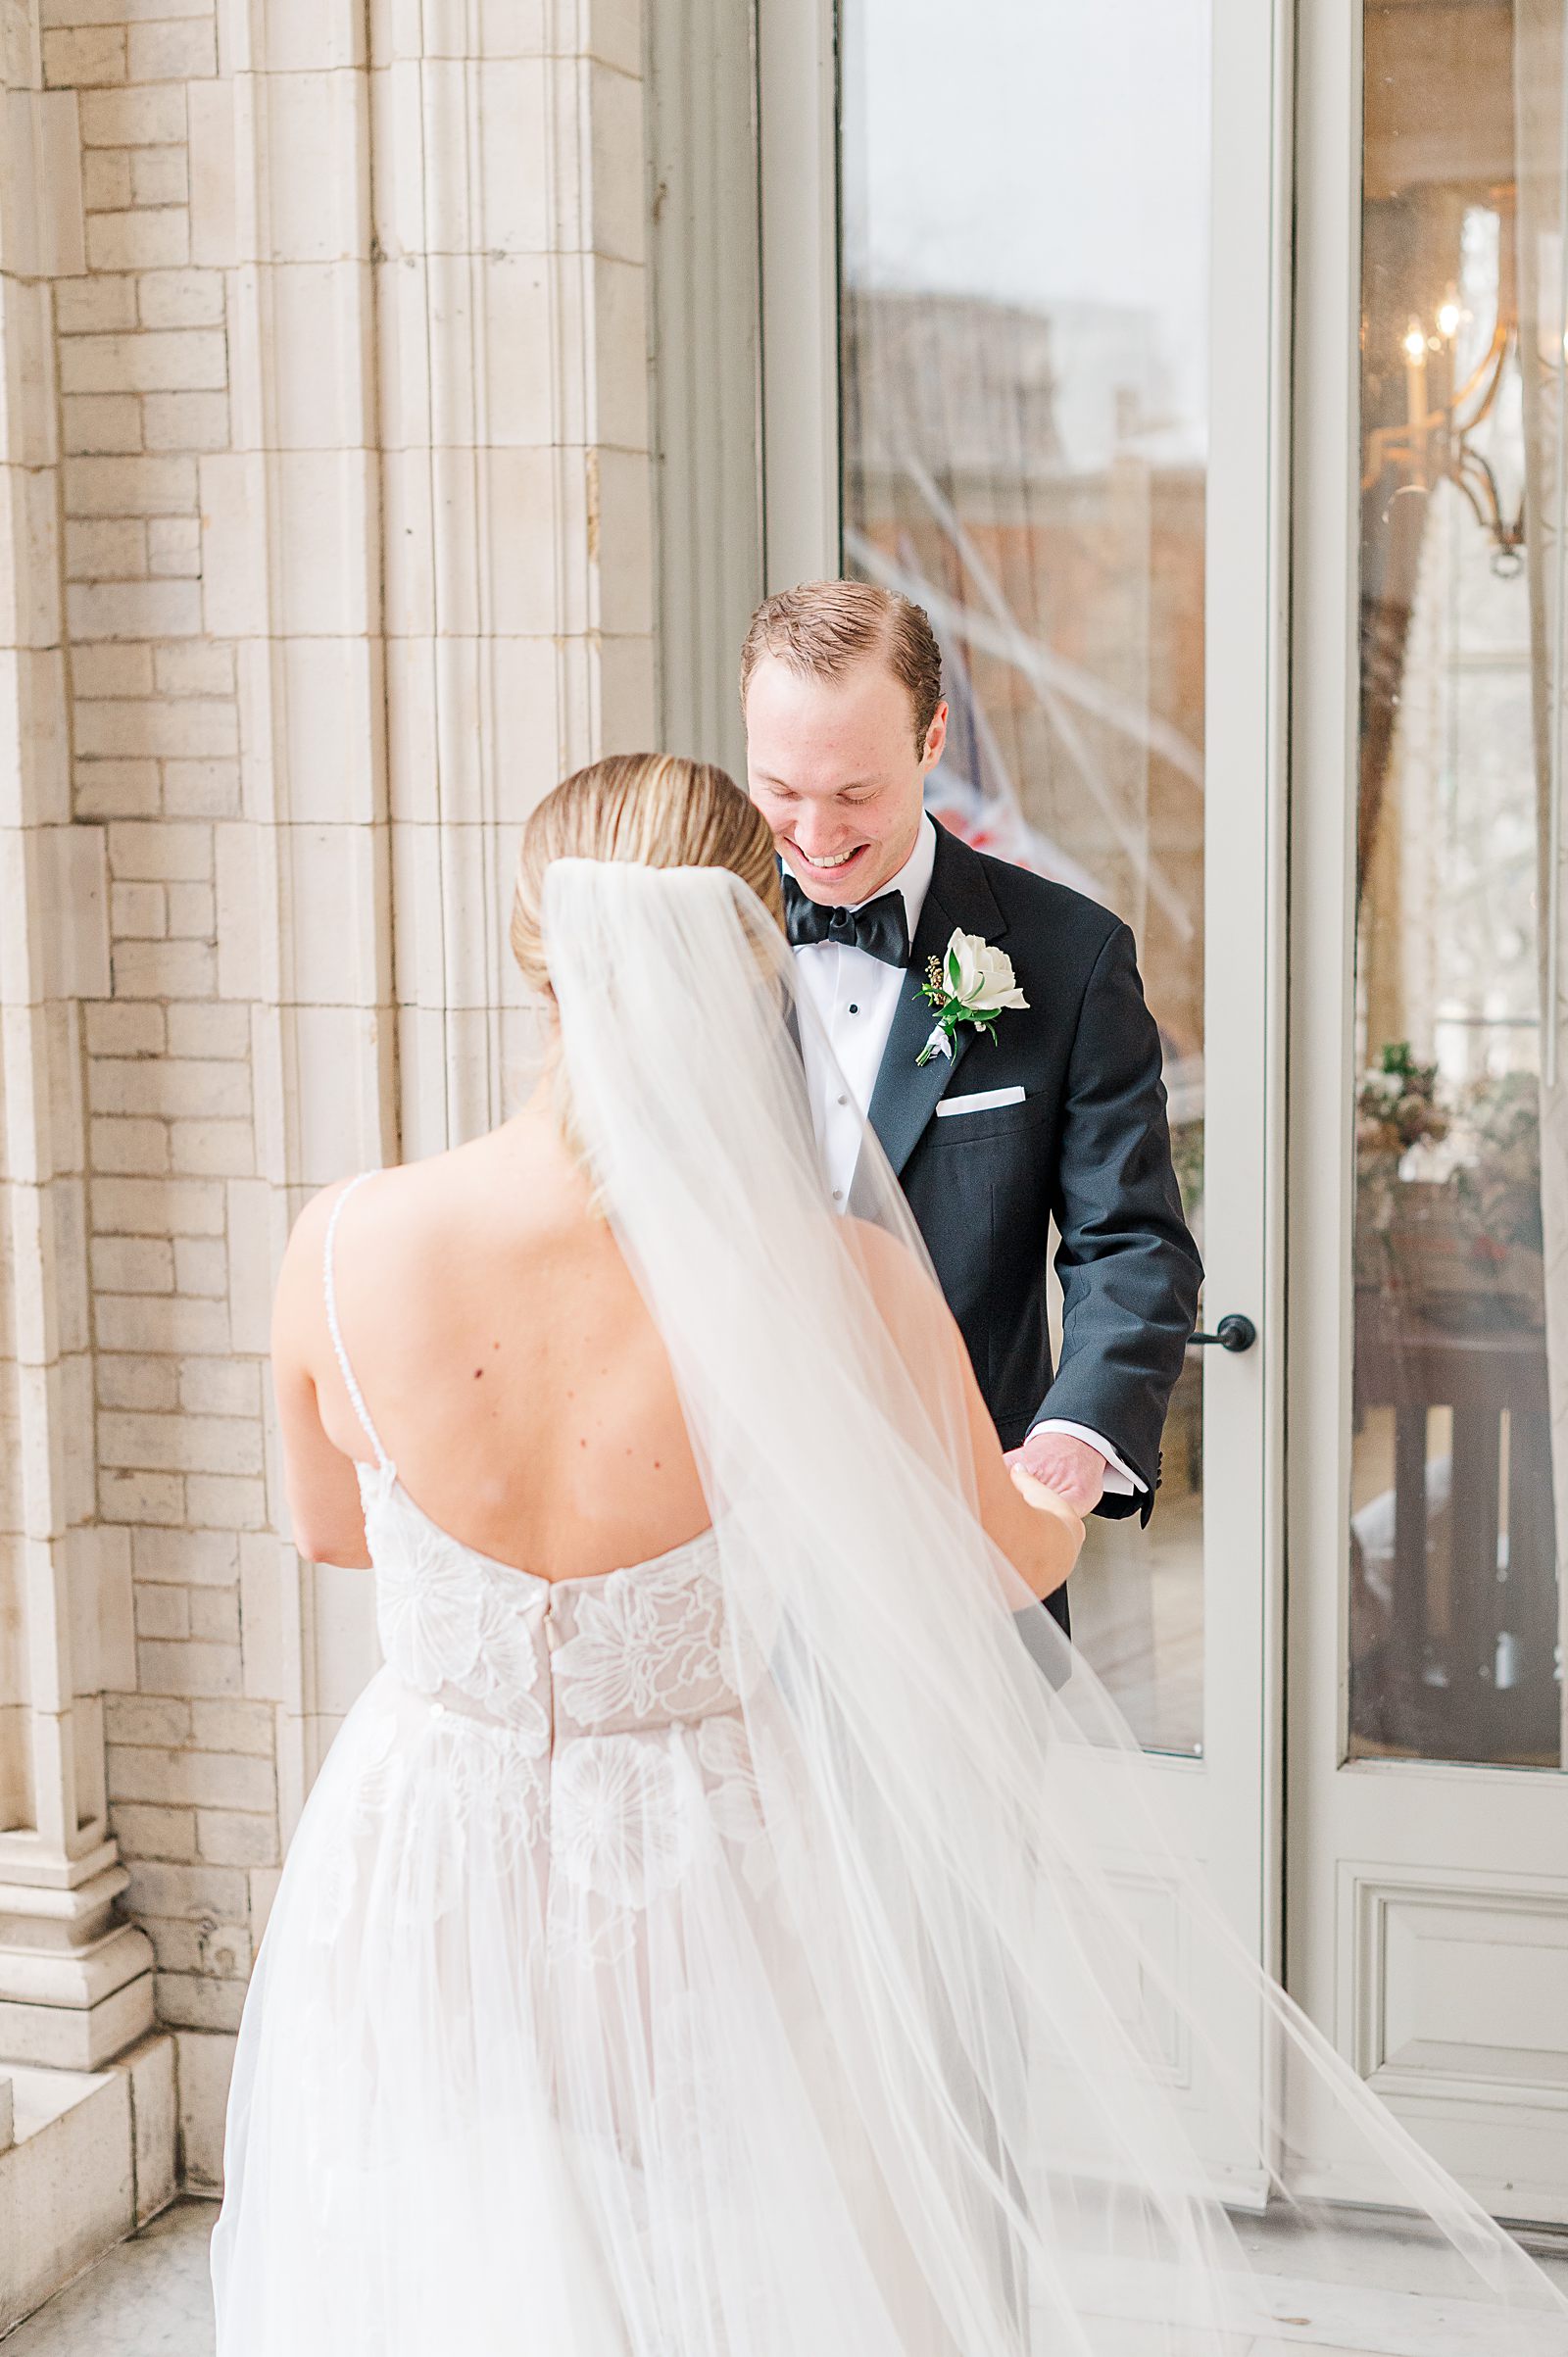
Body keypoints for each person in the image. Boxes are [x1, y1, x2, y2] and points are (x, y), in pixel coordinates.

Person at [210, 756, 1564, 2354]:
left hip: (426, 1848)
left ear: (531, 949)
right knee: (726, 2269)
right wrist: (1062, 1455)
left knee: (445, 2255)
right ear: (749, 947)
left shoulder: (342, 1241)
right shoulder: (829, 1278)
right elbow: (1003, 1561)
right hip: (697, 1866)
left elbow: (318, 1524)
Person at [742, 579, 1203, 1633]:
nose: (813, 833)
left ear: (932, 735)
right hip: (725, 1544)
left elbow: (1129, 1239)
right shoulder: (692, 940)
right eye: (780, 787)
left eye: (853, 791)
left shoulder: (1070, 957)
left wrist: (1070, 1443)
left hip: (971, 1543)